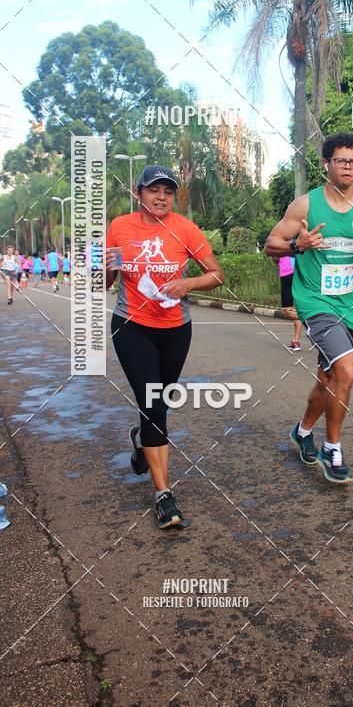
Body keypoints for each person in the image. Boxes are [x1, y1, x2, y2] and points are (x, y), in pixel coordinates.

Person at [265, 133, 353, 484]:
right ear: (326, 164)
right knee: (347, 371)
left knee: (328, 378)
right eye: (341, 160)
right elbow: (271, 245)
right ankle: (332, 448)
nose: (347, 167)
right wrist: (298, 245)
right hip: (316, 301)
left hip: (352, 305)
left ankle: (302, 430)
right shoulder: (305, 206)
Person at [106, 164, 224, 529]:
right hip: (131, 326)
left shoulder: (186, 229)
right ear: (137, 194)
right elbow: (104, 281)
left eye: (168, 191)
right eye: (153, 190)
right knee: (153, 402)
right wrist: (108, 268)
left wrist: (187, 285)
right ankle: (163, 494)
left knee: (158, 403)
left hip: (175, 328)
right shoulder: (119, 227)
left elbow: (217, 275)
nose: (161, 197)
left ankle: (143, 438)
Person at [274, 255, 303, 351]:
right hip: (286, 275)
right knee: (288, 310)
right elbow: (276, 260)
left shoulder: (291, 244)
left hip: (291, 274)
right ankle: (296, 342)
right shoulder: (280, 245)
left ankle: (296, 341)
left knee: (288, 309)